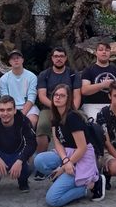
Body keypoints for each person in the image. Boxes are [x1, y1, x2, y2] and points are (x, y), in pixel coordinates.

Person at [33, 84, 105, 206]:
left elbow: (82, 147)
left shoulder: (72, 117)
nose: (57, 98)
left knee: (52, 200)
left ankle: (90, 185)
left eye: (62, 95)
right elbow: (57, 142)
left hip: (81, 157)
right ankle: (64, 179)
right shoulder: (55, 116)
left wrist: (64, 167)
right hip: (67, 153)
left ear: (68, 99)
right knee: (39, 160)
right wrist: (65, 161)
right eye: (56, 95)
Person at [34, 47, 81, 179]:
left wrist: (72, 110)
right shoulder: (44, 75)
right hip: (49, 108)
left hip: (70, 109)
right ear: (52, 58)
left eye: (61, 56)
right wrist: (56, 107)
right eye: (56, 56)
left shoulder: (73, 74)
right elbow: (42, 96)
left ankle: (79, 161)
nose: (59, 59)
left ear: (65, 58)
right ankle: (41, 166)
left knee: (82, 123)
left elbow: (77, 95)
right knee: (42, 125)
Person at [0, 95, 38, 193]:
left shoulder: (23, 120)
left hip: (18, 153)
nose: (5, 113)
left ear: (15, 110)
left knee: (34, 158)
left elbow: (32, 143)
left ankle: (23, 180)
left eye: (9, 110)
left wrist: (20, 159)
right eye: (2, 110)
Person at [81, 42, 116, 120]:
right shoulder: (88, 70)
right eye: (101, 50)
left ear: (110, 53)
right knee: (97, 121)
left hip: (112, 105)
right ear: (96, 53)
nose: (104, 52)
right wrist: (103, 85)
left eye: (107, 50)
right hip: (92, 105)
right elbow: (84, 90)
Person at [0, 50, 39, 128]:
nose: (16, 60)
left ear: (22, 60)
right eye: (13, 58)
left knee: (31, 121)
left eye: (18, 58)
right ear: (9, 62)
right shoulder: (4, 79)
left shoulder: (32, 77)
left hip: (29, 108)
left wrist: (21, 115)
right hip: (10, 108)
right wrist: (13, 113)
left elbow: (31, 98)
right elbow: (5, 99)